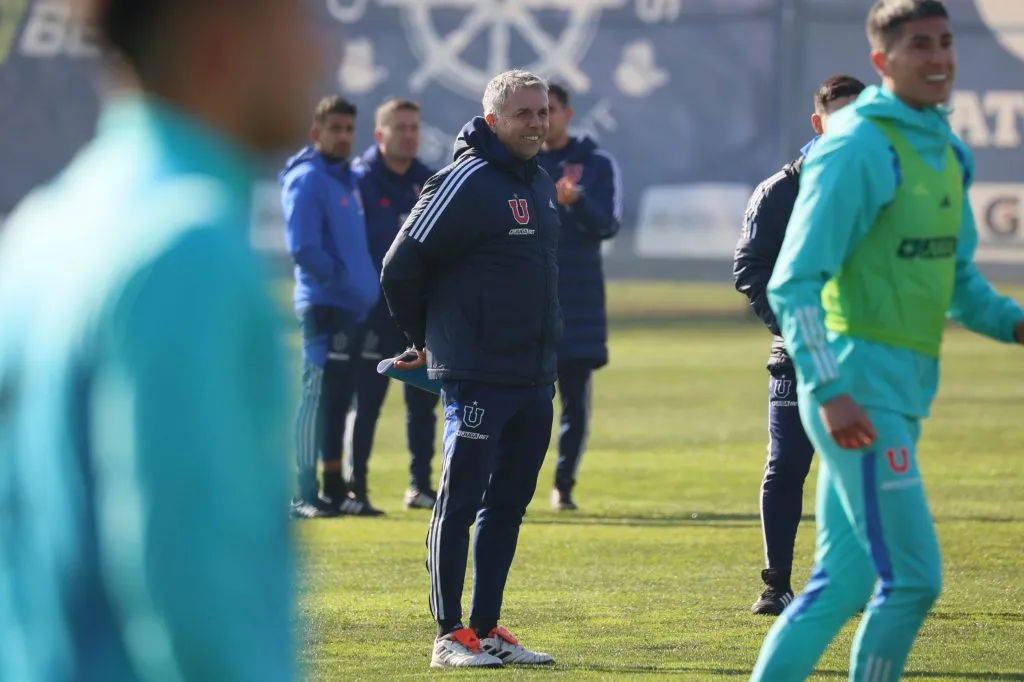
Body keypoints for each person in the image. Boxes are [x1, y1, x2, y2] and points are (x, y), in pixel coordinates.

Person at [0, 0, 319, 678]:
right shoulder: (187, 250)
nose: (322, 52)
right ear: (223, 42)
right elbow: (197, 607)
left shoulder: (41, 228)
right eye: (299, 20)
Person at [751, 1, 1024, 680]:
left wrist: (1014, 323)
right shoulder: (855, 147)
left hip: (902, 389)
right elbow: (793, 283)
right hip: (855, 390)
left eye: (946, 42)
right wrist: (831, 389)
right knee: (913, 580)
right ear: (882, 61)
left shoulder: (946, 150)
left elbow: (959, 283)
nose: (939, 58)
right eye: (919, 45)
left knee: (840, 583)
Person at [380, 69, 562, 669]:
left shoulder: (540, 181)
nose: (536, 124)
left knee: (507, 505)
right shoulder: (465, 180)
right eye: (523, 114)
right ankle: (447, 635)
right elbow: (400, 267)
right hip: (478, 372)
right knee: (457, 502)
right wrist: (427, 341)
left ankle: (485, 629)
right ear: (493, 121)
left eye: (542, 112)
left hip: (534, 377)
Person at [733, 74, 866, 616]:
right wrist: (792, 329)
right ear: (818, 122)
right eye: (841, 117)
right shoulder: (779, 191)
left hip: (863, 354)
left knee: (860, 469)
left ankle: (853, 580)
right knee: (787, 464)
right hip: (796, 355)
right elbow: (750, 270)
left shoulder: (882, 187)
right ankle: (776, 584)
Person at [281, 95, 380, 518]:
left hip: (352, 308)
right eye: (334, 129)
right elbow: (303, 248)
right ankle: (302, 492)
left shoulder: (348, 180)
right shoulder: (307, 179)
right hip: (323, 306)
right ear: (316, 132)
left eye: (348, 129)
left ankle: (335, 490)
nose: (343, 136)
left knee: (339, 399)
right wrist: (342, 281)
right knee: (315, 396)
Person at [350, 98, 440, 512]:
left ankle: (419, 486)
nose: (408, 135)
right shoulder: (359, 181)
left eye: (414, 127)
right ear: (379, 134)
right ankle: (355, 487)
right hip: (372, 312)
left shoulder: (430, 182)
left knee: (422, 403)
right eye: (400, 127)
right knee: (366, 402)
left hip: (418, 315)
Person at [536, 83, 622, 512]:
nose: (543, 119)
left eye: (550, 110)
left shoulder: (597, 163)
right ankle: (512, 481)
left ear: (568, 114)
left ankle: (564, 484)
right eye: (536, 111)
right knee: (524, 399)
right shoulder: (518, 162)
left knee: (574, 400)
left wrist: (577, 201)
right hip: (528, 298)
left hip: (579, 299)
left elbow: (608, 224)